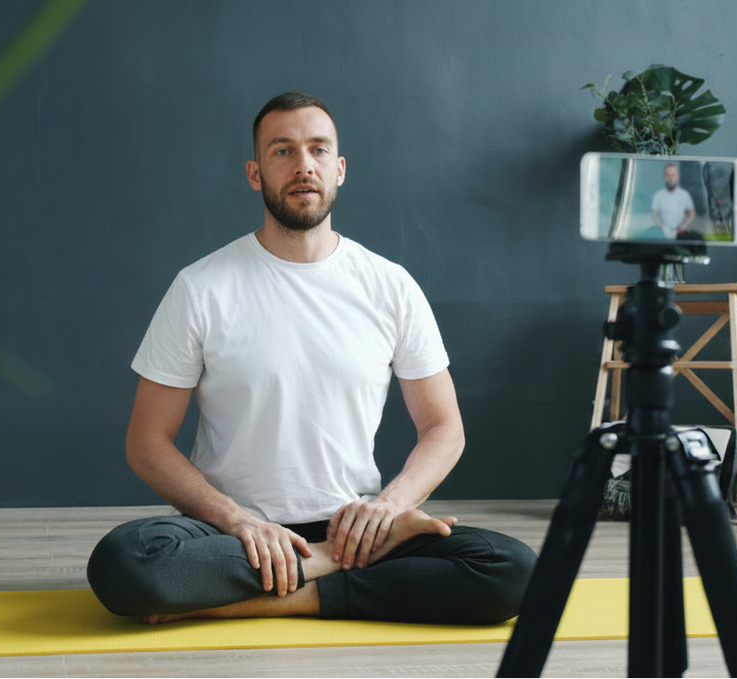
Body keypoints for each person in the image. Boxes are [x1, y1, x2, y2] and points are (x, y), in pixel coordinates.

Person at [87, 91, 537, 625]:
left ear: (339, 168)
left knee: (512, 568)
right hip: (232, 536)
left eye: (318, 149)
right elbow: (146, 442)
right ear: (255, 173)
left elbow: (445, 428)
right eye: (283, 151)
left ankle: (258, 596)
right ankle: (328, 570)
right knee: (125, 562)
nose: (304, 165)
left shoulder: (391, 286)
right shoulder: (200, 287)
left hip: (354, 527)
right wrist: (237, 521)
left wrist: (388, 508)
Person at [651, 163, 696, 239]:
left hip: (681, 234)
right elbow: (654, 214)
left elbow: (691, 214)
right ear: (664, 177)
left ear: (678, 176)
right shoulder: (658, 195)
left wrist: (684, 226)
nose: (671, 178)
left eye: (673, 175)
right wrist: (660, 226)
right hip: (662, 235)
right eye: (668, 175)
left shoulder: (684, 195)